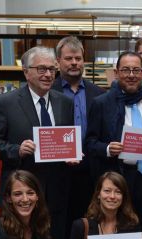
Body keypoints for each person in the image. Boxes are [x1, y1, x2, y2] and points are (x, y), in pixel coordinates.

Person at [0, 46, 75, 239]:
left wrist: (71, 154)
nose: (48, 74)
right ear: (26, 73)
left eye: (51, 69)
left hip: (56, 188)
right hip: (21, 191)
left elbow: (66, 139)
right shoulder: (5, 102)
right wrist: (17, 149)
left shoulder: (65, 102)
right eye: (42, 69)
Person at [86, 51, 142, 232]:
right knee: (121, 229)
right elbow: (90, 143)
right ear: (116, 73)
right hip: (118, 179)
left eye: (136, 70)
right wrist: (108, 148)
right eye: (126, 70)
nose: (131, 75)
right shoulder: (101, 103)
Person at [52, 36, 105, 224]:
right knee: (59, 224)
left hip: (90, 172)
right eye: (68, 58)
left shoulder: (98, 94)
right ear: (58, 61)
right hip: (57, 171)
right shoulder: (48, 91)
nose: (74, 63)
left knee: (88, 223)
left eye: (78, 58)